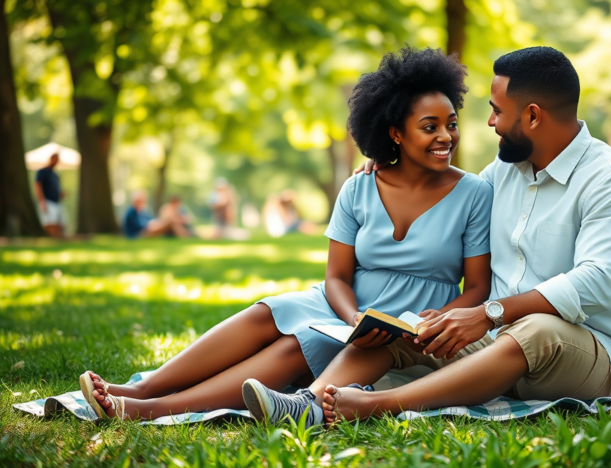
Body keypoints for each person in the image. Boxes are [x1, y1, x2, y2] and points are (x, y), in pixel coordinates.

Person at [242, 46, 611, 427]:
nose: (491, 122)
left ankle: (375, 405)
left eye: (497, 111)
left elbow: (596, 284)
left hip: (594, 356)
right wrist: (389, 163)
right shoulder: (502, 175)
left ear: (532, 116)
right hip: (495, 346)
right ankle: (310, 405)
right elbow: (447, 193)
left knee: (536, 329)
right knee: (403, 328)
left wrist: (488, 313)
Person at [79, 46, 494, 422]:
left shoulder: (473, 192)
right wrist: (351, 317)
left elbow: (477, 286)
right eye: (430, 126)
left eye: (451, 124)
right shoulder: (359, 186)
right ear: (395, 134)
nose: (446, 137)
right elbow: (336, 276)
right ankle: (142, 387)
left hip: (412, 318)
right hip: (345, 306)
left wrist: (439, 322)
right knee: (268, 313)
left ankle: (148, 409)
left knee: (295, 345)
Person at [34, 153, 66, 238]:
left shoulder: (55, 174)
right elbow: (38, 186)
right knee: (50, 223)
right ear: (51, 159)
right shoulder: (43, 172)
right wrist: (42, 201)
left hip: (57, 202)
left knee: (61, 223)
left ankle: (58, 239)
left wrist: (60, 194)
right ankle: (50, 239)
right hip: (47, 201)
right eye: (55, 159)